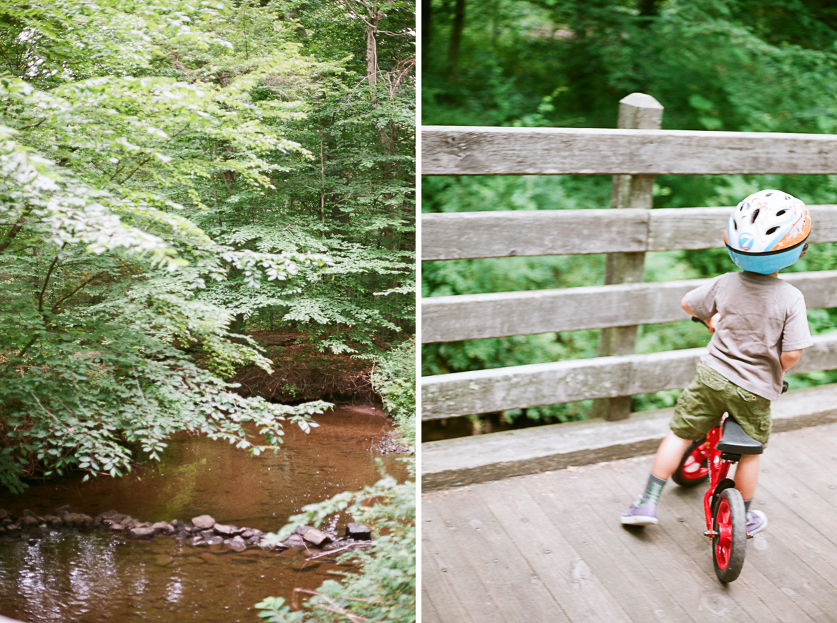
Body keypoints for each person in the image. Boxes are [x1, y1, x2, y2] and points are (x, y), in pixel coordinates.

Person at [621, 189, 814, 535]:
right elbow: (793, 352)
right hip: (753, 391)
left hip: (710, 377)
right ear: (796, 251)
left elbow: (688, 304)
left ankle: (647, 501)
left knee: (680, 433)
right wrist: (777, 371)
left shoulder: (725, 283)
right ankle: (746, 514)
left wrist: (711, 321)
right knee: (751, 452)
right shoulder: (791, 298)